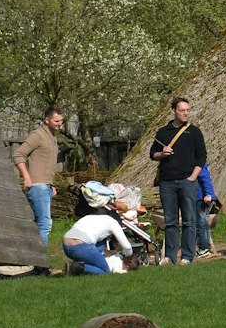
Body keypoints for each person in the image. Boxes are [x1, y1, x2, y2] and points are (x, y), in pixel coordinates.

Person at [150, 97, 207, 264]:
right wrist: (163, 153)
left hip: (187, 181)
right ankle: (170, 256)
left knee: (190, 219)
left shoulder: (194, 131)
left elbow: (202, 156)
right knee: (171, 220)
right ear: (173, 111)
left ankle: (188, 256)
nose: (186, 113)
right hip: (167, 182)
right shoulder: (163, 132)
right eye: (182, 110)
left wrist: (193, 177)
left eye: (188, 110)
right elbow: (152, 154)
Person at [13, 107, 66, 248]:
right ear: (47, 120)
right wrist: (27, 178)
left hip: (45, 186)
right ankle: (41, 265)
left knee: (37, 225)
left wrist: (51, 184)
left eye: (61, 120)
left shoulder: (52, 136)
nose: (60, 123)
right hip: (37, 186)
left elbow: (45, 164)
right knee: (45, 225)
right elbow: (18, 155)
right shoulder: (38, 135)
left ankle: (33, 261)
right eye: (56, 120)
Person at [62, 204, 135, 276]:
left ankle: (79, 263)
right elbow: (127, 247)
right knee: (105, 271)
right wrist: (128, 257)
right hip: (81, 246)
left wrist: (107, 252)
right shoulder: (113, 223)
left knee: (101, 243)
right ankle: (77, 267)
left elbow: (100, 244)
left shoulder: (92, 217)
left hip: (66, 246)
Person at [195, 163, 219, 260]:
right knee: (200, 222)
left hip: (201, 198)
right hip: (197, 197)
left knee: (201, 223)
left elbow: (206, 178)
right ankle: (203, 247)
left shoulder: (198, 163)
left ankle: (204, 248)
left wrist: (209, 194)